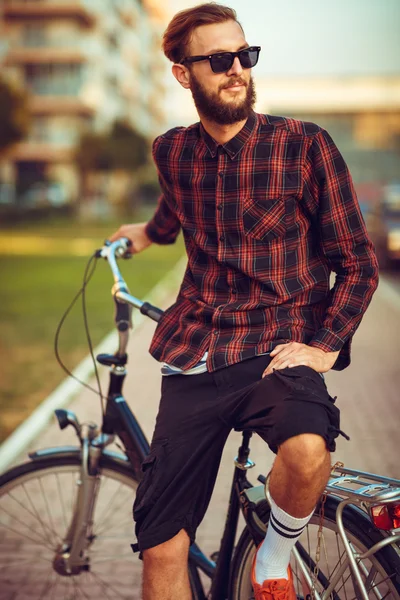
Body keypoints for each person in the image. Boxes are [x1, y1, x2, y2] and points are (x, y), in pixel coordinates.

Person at [109, 3, 379, 599]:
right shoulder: (171, 151)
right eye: (220, 59)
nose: (238, 70)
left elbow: (358, 263)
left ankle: (271, 563)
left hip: (276, 349)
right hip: (197, 355)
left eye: (245, 55)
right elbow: (174, 211)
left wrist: (325, 346)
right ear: (184, 74)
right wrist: (145, 235)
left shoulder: (304, 145)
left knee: (310, 451)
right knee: (161, 549)